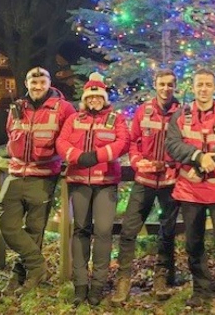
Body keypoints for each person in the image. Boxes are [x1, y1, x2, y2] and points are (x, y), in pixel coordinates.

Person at [165, 68, 215, 315]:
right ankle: (201, 290)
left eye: (208, 85)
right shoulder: (181, 115)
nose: (203, 89)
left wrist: (208, 162)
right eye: (199, 84)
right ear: (193, 87)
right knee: (194, 243)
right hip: (190, 191)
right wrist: (198, 156)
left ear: (214, 87)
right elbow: (172, 145)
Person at [0, 67, 76, 294]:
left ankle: (20, 274)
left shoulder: (63, 108)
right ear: (26, 84)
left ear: (49, 82)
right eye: (33, 83)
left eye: (42, 82)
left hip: (43, 177)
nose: (37, 87)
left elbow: (69, 137)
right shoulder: (17, 108)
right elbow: (9, 133)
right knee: (7, 225)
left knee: (35, 229)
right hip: (15, 174)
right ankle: (37, 266)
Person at [56, 72, 129, 306]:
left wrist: (97, 156)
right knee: (80, 230)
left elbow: (123, 142)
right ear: (85, 99)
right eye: (90, 97)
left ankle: (97, 284)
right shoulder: (74, 119)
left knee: (105, 231)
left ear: (104, 98)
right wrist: (77, 157)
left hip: (105, 182)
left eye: (98, 96)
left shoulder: (115, 119)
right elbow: (61, 142)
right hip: (79, 182)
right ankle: (80, 284)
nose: (94, 100)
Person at [111, 69, 182, 304]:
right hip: (144, 180)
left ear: (175, 87)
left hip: (170, 182)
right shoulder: (144, 111)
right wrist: (135, 161)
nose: (166, 89)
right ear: (155, 84)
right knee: (129, 230)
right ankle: (123, 280)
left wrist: (174, 165)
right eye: (162, 84)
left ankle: (161, 277)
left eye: (170, 85)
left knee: (167, 231)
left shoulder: (182, 114)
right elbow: (133, 142)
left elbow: (188, 144)